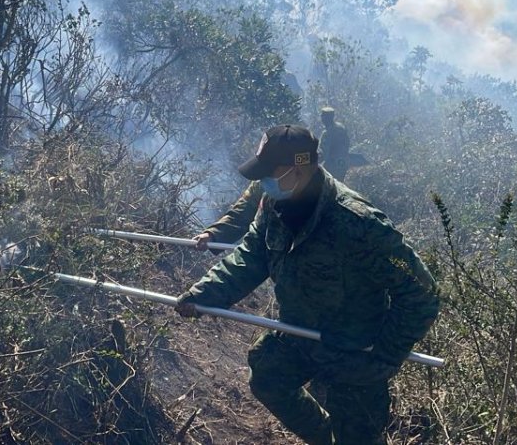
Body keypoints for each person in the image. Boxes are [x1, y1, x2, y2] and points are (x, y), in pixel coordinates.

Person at [175, 124, 439, 445]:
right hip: (299, 333)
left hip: (356, 352)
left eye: (271, 173)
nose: (263, 182)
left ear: (301, 168)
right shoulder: (274, 206)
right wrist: (205, 295)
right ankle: (324, 438)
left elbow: (421, 292)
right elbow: (250, 257)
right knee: (268, 375)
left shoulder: (359, 223)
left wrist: (385, 355)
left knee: (357, 437)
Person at [191, 109, 366, 251]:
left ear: (297, 171)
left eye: (269, 171)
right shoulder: (267, 186)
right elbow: (244, 213)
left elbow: (393, 262)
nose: (263, 180)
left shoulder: (353, 217)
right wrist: (213, 235)